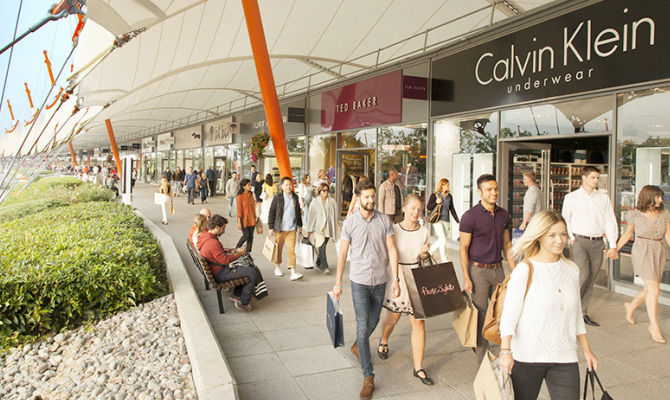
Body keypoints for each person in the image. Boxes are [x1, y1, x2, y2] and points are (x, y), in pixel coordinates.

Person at [499, 210, 598, 400]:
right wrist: (505, 351)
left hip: (565, 356)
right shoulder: (525, 270)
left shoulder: (572, 270)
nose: (559, 240)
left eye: (563, 234)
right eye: (552, 235)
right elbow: (509, 316)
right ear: (539, 237)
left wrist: (587, 351)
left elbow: (576, 315)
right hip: (527, 355)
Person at [333, 179, 400, 400]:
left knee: (373, 321)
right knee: (363, 324)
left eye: (373, 196)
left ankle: (358, 345)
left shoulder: (384, 221)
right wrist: (338, 283)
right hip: (359, 281)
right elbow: (342, 254)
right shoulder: (350, 223)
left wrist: (397, 279)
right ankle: (368, 376)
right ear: (359, 198)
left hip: (380, 280)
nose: (371, 200)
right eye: (367, 197)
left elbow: (391, 249)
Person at [459, 173, 516, 364]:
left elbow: (507, 245)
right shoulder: (470, 217)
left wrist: (515, 271)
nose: (494, 193)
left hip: (498, 269)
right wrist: (466, 277)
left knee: (504, 311)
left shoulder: (503, 214)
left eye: (496, 189)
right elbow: (463, 248)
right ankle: (482, 360)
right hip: (478, 272)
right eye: (489, 190)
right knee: (482, 314)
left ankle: (505, 352)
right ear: (479, 192)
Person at [378, 194, 433, 385]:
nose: (415, 213)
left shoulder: (424, 231)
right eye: (412, 209)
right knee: (393, 318)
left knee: (418, 322)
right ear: (404, 209)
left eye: (419, 210)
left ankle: (418, 367)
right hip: (398, 276)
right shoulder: (393, 230)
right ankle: (384, 339)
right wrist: (394, 278)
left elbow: (426, 260)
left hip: (417, 278)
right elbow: (386, 256)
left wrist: (425, 254)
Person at [562, 165, 618, 327]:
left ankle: (582, 312)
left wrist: (612, 244)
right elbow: (565, 219)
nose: (596, 180)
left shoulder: (603, 198)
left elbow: (610, 221)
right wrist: (571, 238)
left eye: (597, 178)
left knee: (591, 278)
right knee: (582, 275)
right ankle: (568, 311)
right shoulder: (572, 197)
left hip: (598, 242)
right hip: (579, 241)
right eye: (593, 177)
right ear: (584, 178)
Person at [615, 185, 670, 343]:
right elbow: (628, 234)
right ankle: (654, 327)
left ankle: (631, 307)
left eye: (661, 196)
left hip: (658, 250)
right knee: (654, 289)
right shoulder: (636, 215)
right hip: (642, 250)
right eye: (658, 196)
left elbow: (667, 234)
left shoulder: (664, 213)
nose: (661, 199)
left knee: (650, 288)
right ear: (649, 197)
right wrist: (615, 249)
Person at [197, 215, 256, 312]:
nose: (224, 231)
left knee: (245, 268)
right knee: (252, 272)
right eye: (223, 228)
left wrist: (232, 250)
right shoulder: (213, 243)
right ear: (217, 227)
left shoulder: (204, 236)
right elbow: (225, 260)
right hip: (220, 273)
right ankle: (243, 303)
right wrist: (239, 254)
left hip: (214, 269)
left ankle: (237, 294)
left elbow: (217, 252)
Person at [268, 177, 304, 281]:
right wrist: (271, 227)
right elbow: (272, 212)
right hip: (279, 229)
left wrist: (300, 225)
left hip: (292, 229)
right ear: (282, 186)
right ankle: (277, 267)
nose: (288, 187)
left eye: (290, 184)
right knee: (278, 249)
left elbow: (297, 211)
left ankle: (293, 271)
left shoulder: (295, 197)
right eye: (286, 185)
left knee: (291, 250)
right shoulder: (277, 197)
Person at [305, 183, 338, 274]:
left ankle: (318, 261)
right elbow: (311, 216)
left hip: (328, 228)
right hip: (318, 227)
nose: (326, 192)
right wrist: (309, 229)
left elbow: (335, 215)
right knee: (322, 246)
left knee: (322, 246)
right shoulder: (315, 202)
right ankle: (325, 267)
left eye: (327, 190)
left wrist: (337, 224)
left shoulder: (332, 201)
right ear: (320, 191)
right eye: (324, 190)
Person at [426, 178, 459, 262]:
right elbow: (428, 207)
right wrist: (436, 202)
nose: (449, 186)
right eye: (447, 185)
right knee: (443, 240)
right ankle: (444, 259)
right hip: (437, 220)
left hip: (446, 221)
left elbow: (452, 209)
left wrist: (458, 221)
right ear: (442, 185)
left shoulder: (449, 196)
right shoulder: (435, 195)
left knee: (442, 239)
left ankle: (430, 251)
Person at [236, 179, 257, 253]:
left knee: (251, 237)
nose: (250, 186)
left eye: (250, 185)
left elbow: (254, 207)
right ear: (243, 187)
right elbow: (239, 210)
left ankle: (248, 252)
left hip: (252, 218)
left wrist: (256, 217)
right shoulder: (239, 197)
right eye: (248, 185)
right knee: (246, 235)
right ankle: (237, 248)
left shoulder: (251, 194)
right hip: (243, 219)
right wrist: (239, 222)